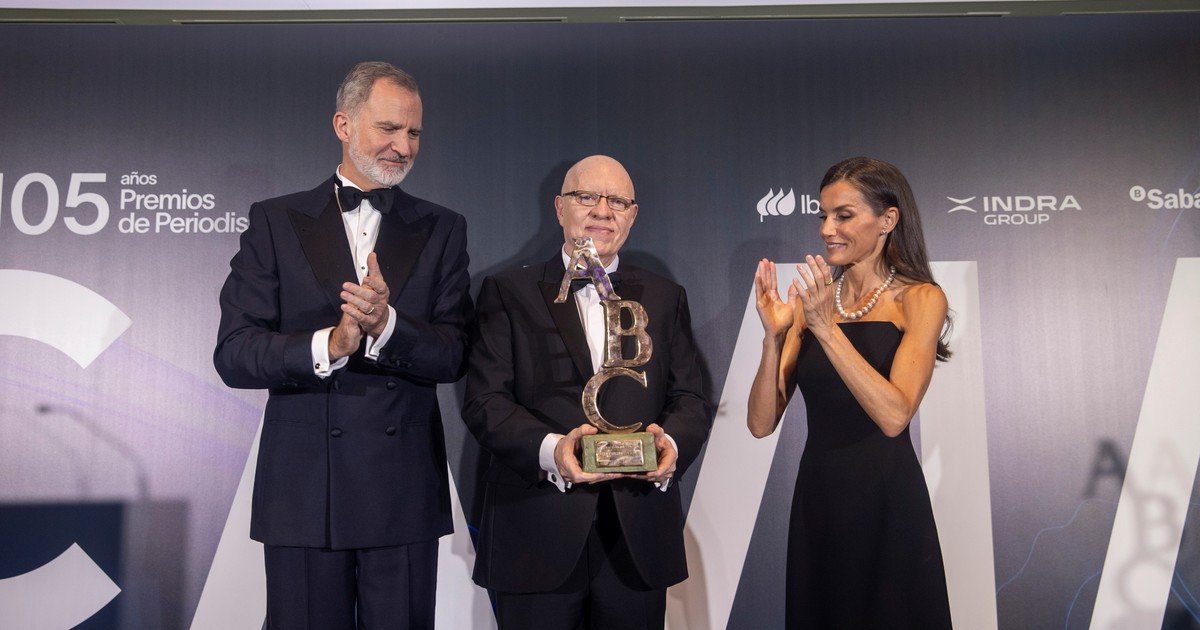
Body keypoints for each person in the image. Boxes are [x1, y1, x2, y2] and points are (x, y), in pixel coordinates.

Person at [213, 61, 471, 629]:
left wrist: (386, 327)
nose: (403, 146)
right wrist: (330, 343)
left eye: (414, 133)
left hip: (401, 492)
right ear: (344, 125)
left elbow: (454, 353)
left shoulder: (444, 227)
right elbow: (234, 353)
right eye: (388, 129)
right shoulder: (276, 221)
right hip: (305, 493)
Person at [462, 155, 712, 629]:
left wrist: (671, 445)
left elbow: (692, 399)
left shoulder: (664, 297)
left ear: (633, 215)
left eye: (618, 201)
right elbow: (484, 401)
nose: (603, 210)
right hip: (536, 527)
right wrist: (553, 450)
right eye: (587, 197)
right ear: (560, 208)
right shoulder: (507, 291)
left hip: (637, 533)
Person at [747, 156, 953, 629]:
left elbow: (894, 415)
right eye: (822, 215)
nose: (827, 229)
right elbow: (760, 424)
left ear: (888, 220)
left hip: (887, 500)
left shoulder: (920, 299)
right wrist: (774, 336)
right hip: (820, 500)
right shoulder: (809, 303)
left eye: (844, 215)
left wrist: (825, 327)